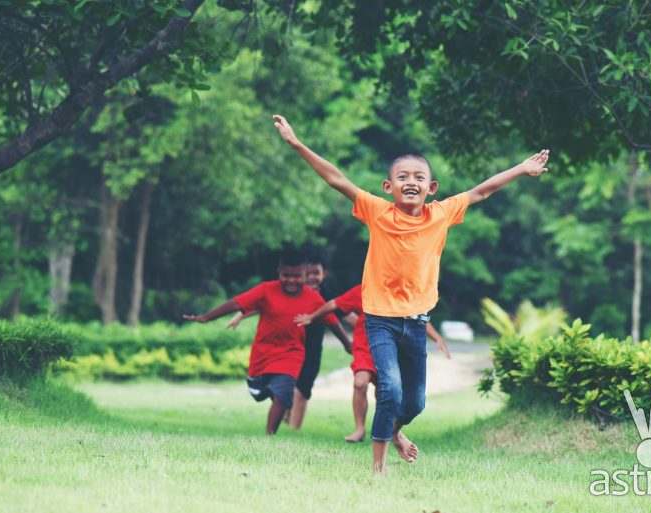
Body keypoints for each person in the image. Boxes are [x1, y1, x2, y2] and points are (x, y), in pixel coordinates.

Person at [272, 114, 549, 473]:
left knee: (415, 403)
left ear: (431, 187)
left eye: (419, 177)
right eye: (403, 177)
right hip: (380, 320)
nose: (411, 182)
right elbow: (336, 179)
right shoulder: (378, 211)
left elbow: (481, 191)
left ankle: (395, 431)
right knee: (390, 389)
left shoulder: (441, 214)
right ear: (389, 186)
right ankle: (379, 467)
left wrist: (521, 169)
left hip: (416, 323)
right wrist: (296, 144)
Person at [183, 249, 351, 435]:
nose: (291, 280)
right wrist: (206, 317)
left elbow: (332, 321)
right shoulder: (266, 290)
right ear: (278, 272)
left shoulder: (313, 298)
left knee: (284, 391)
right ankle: (273, 394)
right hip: (263, 354)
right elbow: (237, 303)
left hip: (292, 353)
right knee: (260, 392)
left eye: (297, 276)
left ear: (304, 275)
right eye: (286, 275)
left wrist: (347, 344)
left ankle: (269, 434)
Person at [295, 284, 451, 443]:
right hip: (364, 349)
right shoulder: (365, 290)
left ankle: (386, 430)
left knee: (385, 393)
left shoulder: (402, 291)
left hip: (390, 350)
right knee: (360, 382)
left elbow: (418, 317)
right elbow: (334, 304)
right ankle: (359, 429)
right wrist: (312, 317)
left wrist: (437, 337)